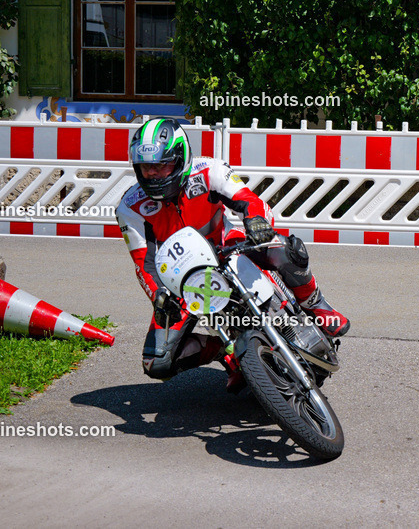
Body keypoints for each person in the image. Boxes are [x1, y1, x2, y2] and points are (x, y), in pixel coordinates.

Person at [115, 117, 349, 389]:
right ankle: (229, 352)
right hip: (185, 281)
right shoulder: (129, 208)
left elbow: (248, 199)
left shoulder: (207, 171)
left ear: (180, 159)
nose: (152, 173)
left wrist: (256, 220)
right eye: (146, 167)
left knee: (285, 248)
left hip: (227, 246)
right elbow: (144, 263)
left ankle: (315, 303)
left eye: (161, 165)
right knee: (157, 363)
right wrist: (158, 295)